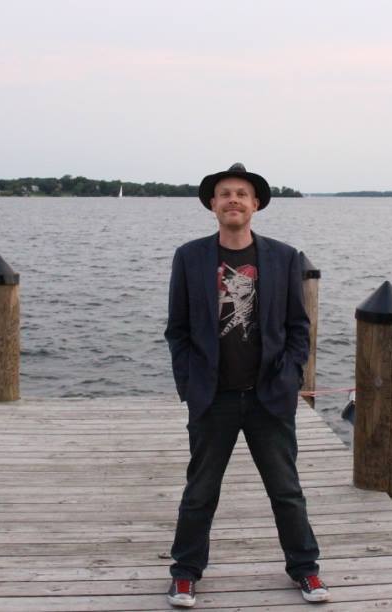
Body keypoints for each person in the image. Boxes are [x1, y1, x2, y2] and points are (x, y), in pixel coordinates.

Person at [164, 163, 330, 608]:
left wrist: (290, 377)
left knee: (286, 491)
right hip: (212, 397)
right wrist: (189, 382)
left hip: (269, 397)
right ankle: (185, 573)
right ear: (212, 204)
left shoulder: (284, 257)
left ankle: (305, 569)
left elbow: (298, 328)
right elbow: (177, 330)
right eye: (225, 194)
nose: (233, 200)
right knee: (200, 492)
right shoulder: (189, 257)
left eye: (242, 193)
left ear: (255, 204)